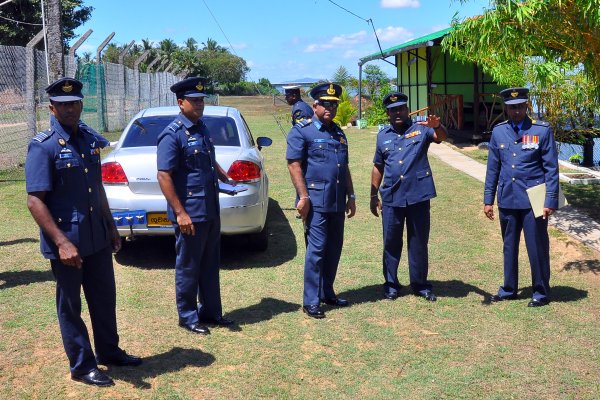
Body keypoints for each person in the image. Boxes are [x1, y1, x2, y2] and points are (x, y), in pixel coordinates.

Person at [25, 78, 141, 387]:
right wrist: (61, 242)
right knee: (71, 306)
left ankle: (109, 351)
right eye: (63, 105)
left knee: (104, 298)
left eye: (74, 103)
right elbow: (35, 201)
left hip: (96, 236)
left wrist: (111, 226)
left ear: (80, 104)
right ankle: (81, 365)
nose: (70, 109)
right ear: (52, 108)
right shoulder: (44, 145)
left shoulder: (88, 139)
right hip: (68, 242)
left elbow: (97, 188)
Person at [157, 76, 234, 335]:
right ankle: (188, 316)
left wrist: (223, 175)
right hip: (190, 212)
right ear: (181, 103)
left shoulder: (201, 128)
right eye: (194, 100)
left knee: (210, 263)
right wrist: (180, 213)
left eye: (202, 99)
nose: (200, 104)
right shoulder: (172, 134)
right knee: (189, 265)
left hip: (210, 208)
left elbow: (207, 158)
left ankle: (211, 311)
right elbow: (164, 176)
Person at [286, 82, 356, 319]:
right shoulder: (302, 131)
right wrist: (303, 197)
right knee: (316, 251)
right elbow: (294, 165)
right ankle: (311, 301)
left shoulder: (338, 133)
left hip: (336, 200)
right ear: (314, 105)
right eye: (325, 104)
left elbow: (344, 166)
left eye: (333, 105)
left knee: (334, 248)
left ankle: (327, 292)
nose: (330, 109)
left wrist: (351, 195)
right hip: (315, 202)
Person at [484, 87, 559, 307]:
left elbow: (551, 168)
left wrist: (550, 200)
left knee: (537, 247)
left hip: (535, 197)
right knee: (509, 246)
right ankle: (509, 289)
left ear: (526, 106)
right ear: (506, 108)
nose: (516, 111)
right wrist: (488, 200)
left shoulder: (541, 130)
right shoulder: (499, 132)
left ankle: (540, 292)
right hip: (508, 196)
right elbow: (493, 168)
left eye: (519, 107)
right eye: (511, 108)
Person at [370, 92, 448, 302]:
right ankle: (391, 284)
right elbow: (378, 165)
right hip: (392, 196)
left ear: (407, 110)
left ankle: (420, 284)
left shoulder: (422, 128)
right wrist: (373, 194)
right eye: (393, 110)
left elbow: (440, 137)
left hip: (418, 195)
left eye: (401, 109)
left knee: (418, 242)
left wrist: (438, 126)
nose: (397, 113)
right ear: (388, 113)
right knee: (391, 242)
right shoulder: (383, 135)